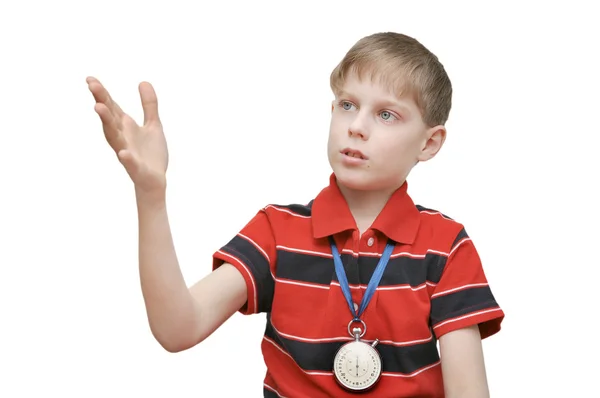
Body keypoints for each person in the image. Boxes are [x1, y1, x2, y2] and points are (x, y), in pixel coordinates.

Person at [87, 31, 504, 398]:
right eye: (347, 104)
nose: (356, 126)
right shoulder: (276, 230)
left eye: (386, 114)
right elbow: (179, 329)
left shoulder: (447, 246)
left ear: (429, 144)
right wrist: (151, 194)